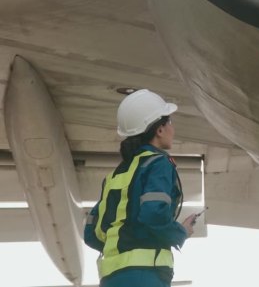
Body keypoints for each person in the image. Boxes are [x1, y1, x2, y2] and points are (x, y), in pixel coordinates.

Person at [84, 89, 200, 287]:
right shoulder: (158, 163)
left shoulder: (115, 176)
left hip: (110, 277)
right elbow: (153, 214)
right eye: (169, 121)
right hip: (145, 276)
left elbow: (91, 234)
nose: (173, 128)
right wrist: (181, 232)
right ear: (159, 129)